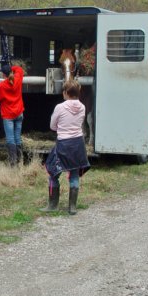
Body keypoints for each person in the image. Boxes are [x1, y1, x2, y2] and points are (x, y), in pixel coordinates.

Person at [42, 79, 90, 215]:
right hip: (78, 144)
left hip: (63, 144)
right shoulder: (82, 107)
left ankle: (53, 205)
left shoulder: (60, 107)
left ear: (66, 93)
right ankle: (72, 207)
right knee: (74, 175)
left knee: (52, 173)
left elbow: (52, 126)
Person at [0, 63, 25, 166]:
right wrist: (12, 67)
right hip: (19, 112)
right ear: (11, 72)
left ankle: (13, 163)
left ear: (3, 75)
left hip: (8, 115)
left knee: (10, 139)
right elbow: (20, 69)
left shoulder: (1, 86)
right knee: (17, 137)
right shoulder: (18, 78)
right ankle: (20, 161)